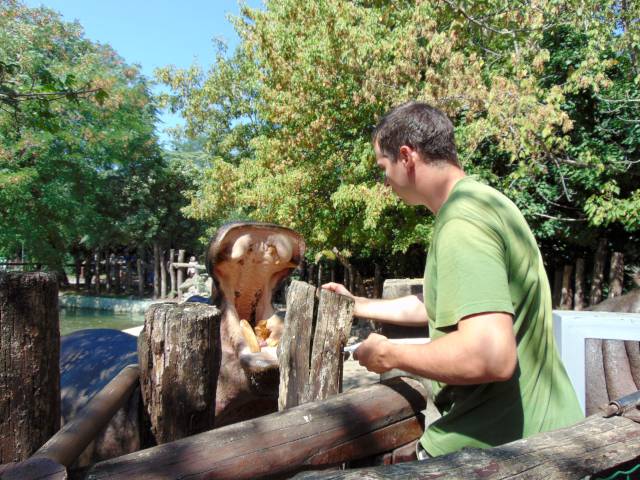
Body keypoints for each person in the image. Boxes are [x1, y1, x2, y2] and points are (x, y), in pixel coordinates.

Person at [323, 101, 583, 458]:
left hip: (506, 450)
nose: (385, 180)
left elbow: (490, 356)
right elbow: (443, 304)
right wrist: (358, 304)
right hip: (551, 432)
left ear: (406, 156)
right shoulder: (487, 202)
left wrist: (389, 354)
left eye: (383, 167)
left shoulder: (462, 223)